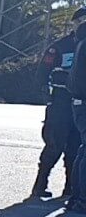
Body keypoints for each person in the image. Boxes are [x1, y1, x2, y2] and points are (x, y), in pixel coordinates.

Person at [34, 66, 77, 198]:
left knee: (75, 149)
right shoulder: (60, 46)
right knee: (54, 147)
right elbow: (42, 73)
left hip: (78, 104)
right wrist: (46, 94)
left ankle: (71, 188)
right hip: (60, 103)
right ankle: (40, 185)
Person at [66, 21, 86, 213]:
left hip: (79, 102)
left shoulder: (81, 44)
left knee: (83, 149)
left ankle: (77, 196)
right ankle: (82, 200)